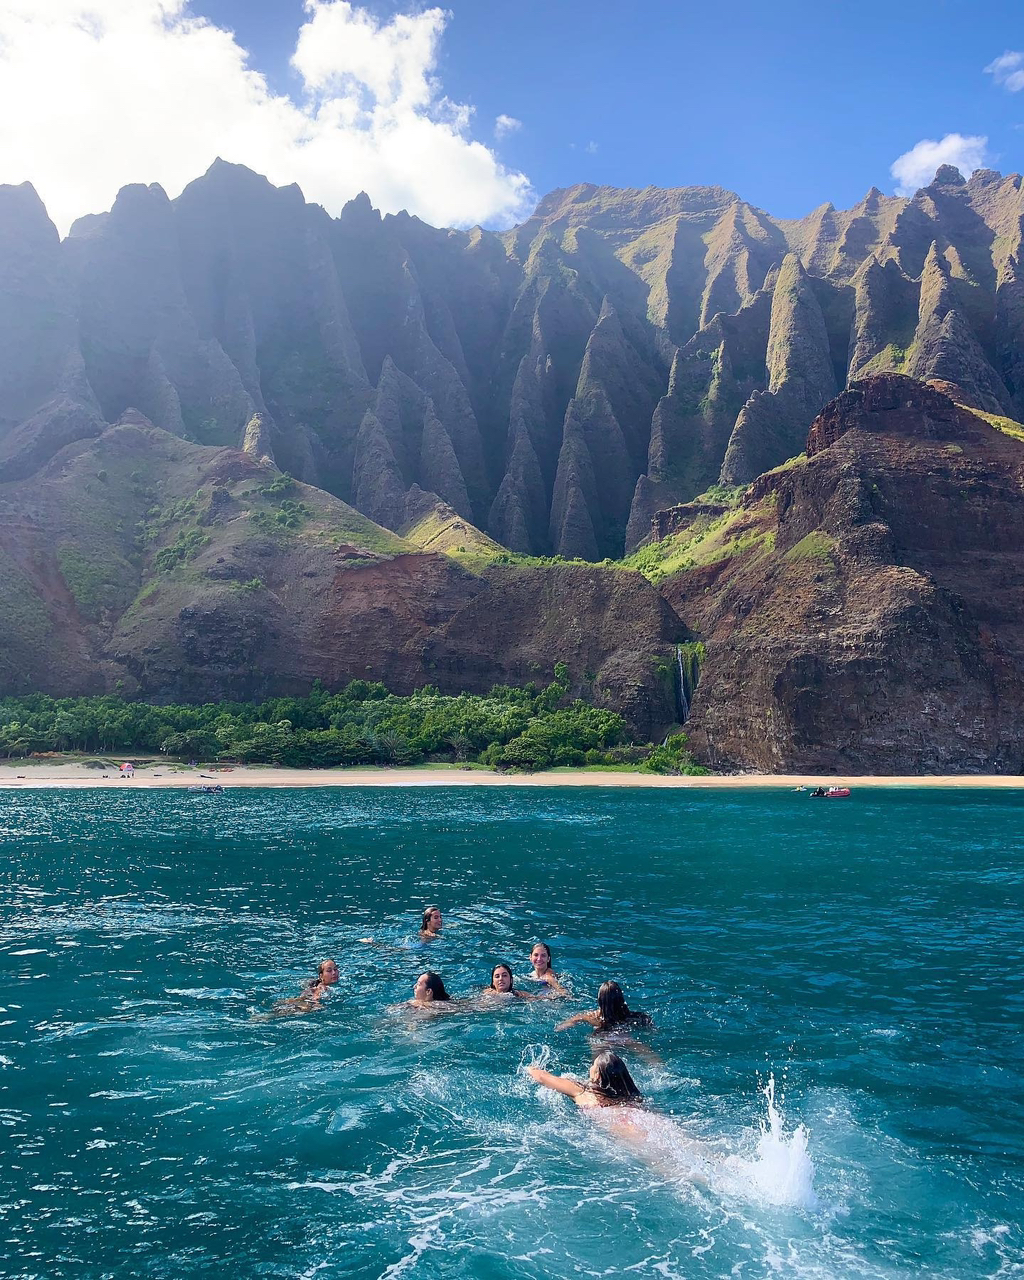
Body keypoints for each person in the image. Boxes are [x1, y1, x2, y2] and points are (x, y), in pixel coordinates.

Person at [525, 1050, 643, 1108]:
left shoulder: (582, 1091)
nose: (590, 1067)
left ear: (597, 1075)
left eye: (593, 1065)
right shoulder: (631, 1096)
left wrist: (529, 1069)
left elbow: (541, 1077)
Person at [255, 958, 339, 1020]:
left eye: (335, 969)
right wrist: (317, 1005)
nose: (334, 973)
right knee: (277, 1015)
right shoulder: (323, 987)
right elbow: (316, 996)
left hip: (298, 1000)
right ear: (321, 976)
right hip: (305, 1004)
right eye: (329, 971)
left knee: (276, 1012)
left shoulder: (314, 983)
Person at [555, 981, 652, 1034]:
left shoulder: (592, 1016)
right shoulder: (632, 1017)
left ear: (600, 1000)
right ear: (621, 998)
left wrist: (560, 1027)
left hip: (602, 1038)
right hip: (623, 1037)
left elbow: (567, 1024)